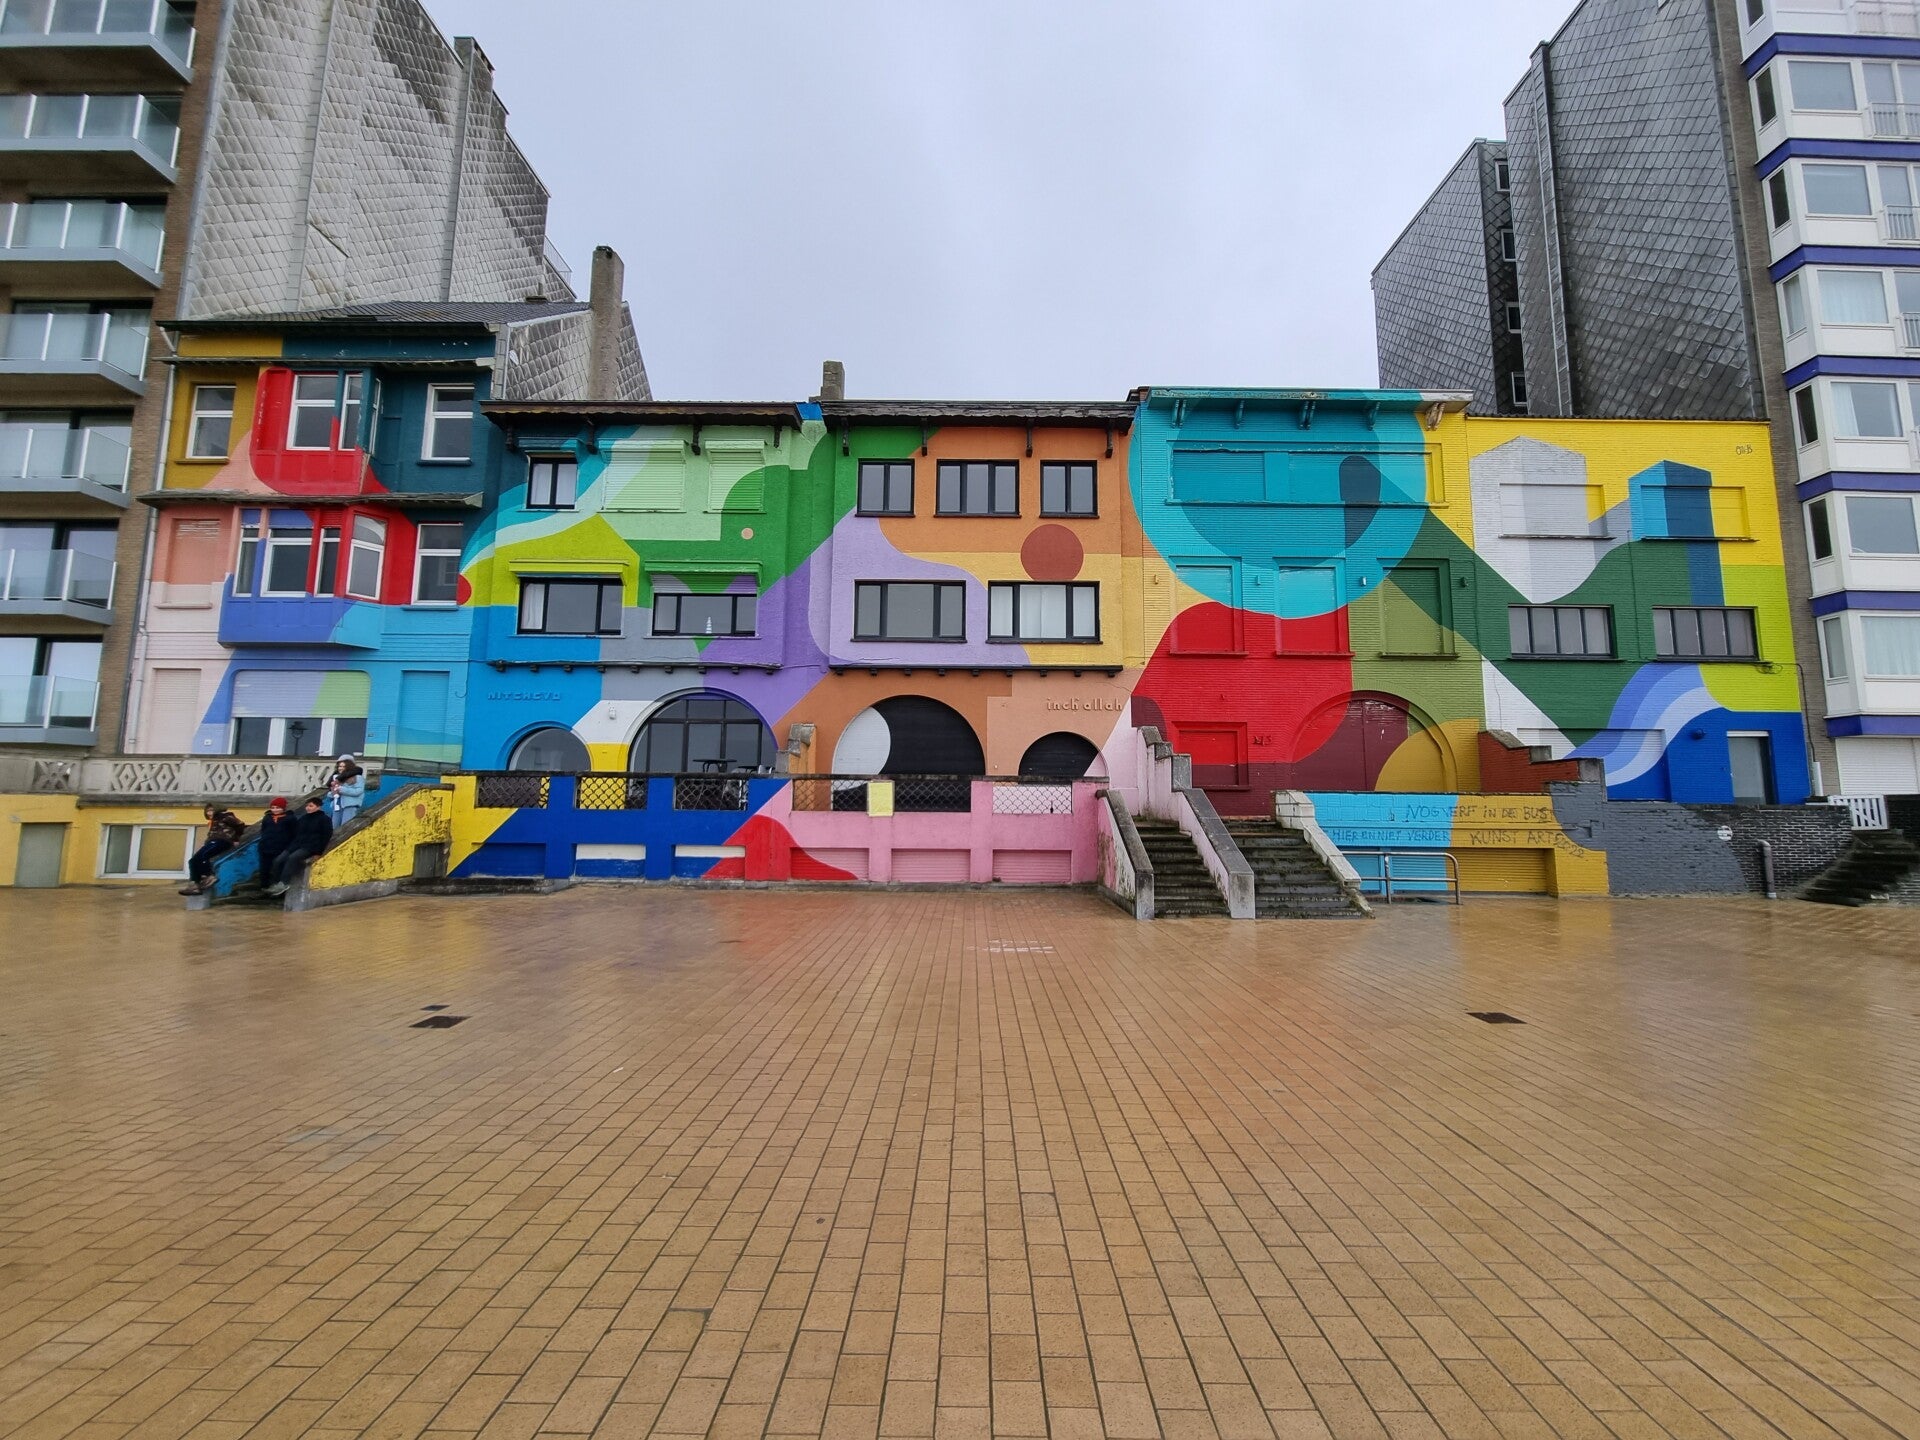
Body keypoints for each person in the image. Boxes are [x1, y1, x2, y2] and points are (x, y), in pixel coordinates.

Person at [265, 797, 333, 896]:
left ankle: (284, 883)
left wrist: (318, 852)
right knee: (278, 860)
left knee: (292, 858)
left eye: (311, 806)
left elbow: (326, 835)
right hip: (297, 844)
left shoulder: (324, 819)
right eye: (307, 806)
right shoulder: (303, 818)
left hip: (311, 846)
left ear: (318, 807)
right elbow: (297, 833)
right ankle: (277, 883)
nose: (308, 808)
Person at [181, 803, 246, 895]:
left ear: (217, 809)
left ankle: (209, 876)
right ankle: (194, 885)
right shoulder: (213, 821)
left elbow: (240, 825)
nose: (209, 813)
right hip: (212, 841)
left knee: (203, 855)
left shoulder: (226, 817)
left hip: (222, 840)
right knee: (193, 860)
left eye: (211, 810)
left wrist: (236, 839)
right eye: (207, 811)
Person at [255, 796, 295, 888]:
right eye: (273, 808)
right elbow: (263, 831)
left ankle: (277, 887)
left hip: (281, 848)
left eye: (278, 808)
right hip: (265, 847)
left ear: (283, 808)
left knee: (278, 868)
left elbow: (294, 833)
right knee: (264, 869)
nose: (275, 810)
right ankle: (264, 887)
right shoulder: (267, 818)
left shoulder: (290, 818)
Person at [327, 754, 365, 827]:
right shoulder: (337, 778)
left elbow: (358, 791)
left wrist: (341, 789)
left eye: (343, 766)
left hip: (349, 805)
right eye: (340, 766)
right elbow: (331, 793)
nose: (341, 768)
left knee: (346, 826)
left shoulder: (357, 777)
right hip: (337, 805)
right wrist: (332, 793)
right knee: (334, 826)